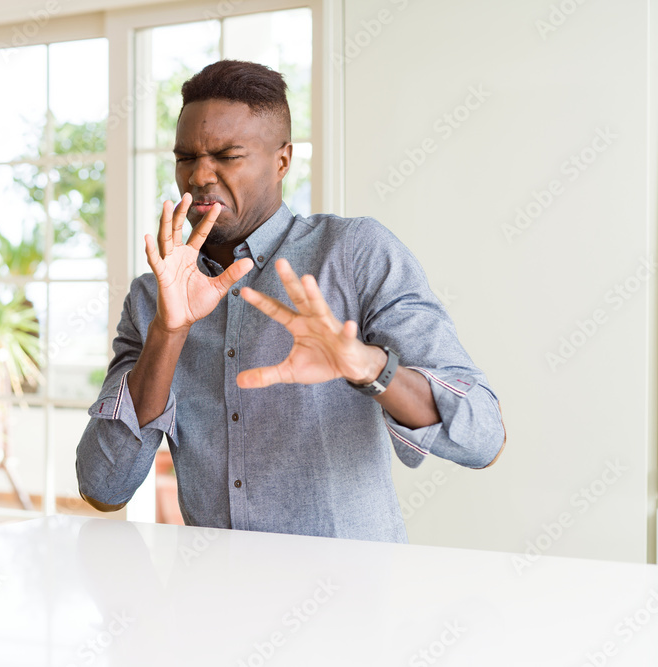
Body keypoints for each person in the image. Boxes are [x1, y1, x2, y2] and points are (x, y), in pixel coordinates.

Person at [74, 59, 506, 543]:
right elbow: (103, 488)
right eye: (185, 158)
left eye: (227, 156)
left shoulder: (354, 253)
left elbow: (483, 436)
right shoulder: (152, 296)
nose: (199, 176)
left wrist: (368, 367)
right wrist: (168, 333)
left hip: (352, 600)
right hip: (214, 599)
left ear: (282, 161)